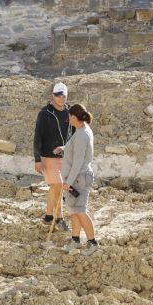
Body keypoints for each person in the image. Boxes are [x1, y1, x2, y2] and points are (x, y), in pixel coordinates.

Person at [33, 82, 72, 232]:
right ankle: (59, 219)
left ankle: (49, 216)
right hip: (48, 157)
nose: (61, 98)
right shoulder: (45, 113)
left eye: (63, 95)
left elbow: (73, 134)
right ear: (53, 96)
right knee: (58, 186)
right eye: (58, 95)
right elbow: (38, 137)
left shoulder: (69, 111)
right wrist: (37, 159)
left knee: (56, 187)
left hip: (65, 156)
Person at [60, 103, 98, 256]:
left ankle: (92, 242)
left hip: (79, 178)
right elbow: (75, 151)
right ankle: (75, 239)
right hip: (75, 178)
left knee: (80, 211)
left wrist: (68, 183)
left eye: (70, 117)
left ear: (74, 117)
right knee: (73, 211)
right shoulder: (81, 131)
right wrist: (63, 149)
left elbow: (78, 161)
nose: (69, 119)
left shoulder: (82, 134)